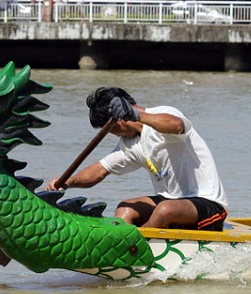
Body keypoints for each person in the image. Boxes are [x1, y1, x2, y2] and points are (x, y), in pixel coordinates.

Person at [46, 87, 229, 231]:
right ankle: (125, 247)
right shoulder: (129, 145)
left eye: (112, 130)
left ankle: (135, 248)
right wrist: (68, 182)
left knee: (165, 210)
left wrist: (138, 115)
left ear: (119, 120)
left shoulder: (163, 113)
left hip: (209, 204)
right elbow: (100, 170)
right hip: (170, 200)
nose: (115, 136)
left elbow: (176, 125)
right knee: (125, 209)